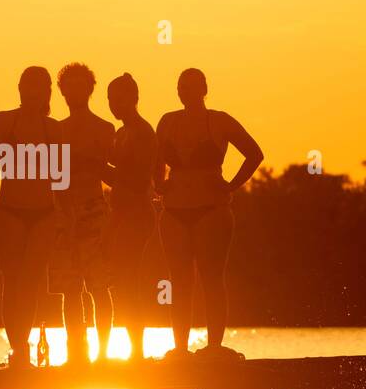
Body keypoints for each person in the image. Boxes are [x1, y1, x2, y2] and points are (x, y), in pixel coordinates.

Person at [154, 68, 263, 358]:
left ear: (204, 89)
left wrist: (232, 185)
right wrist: (158, 183)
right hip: (174, 211)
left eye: (191, 86)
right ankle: (179, 348)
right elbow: (155, 158)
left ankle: (214, 346)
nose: (185, 91)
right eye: (181, 86)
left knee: (211, 278)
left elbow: (254, 153)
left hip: (211, 211)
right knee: (179, 281)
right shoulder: (167, 122)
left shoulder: (219, 121)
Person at [0, 67, 61, 367]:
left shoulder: (53, 128)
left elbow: (61, 178)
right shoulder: (3, 120)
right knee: (12, 279)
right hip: (9, 210)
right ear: (19, 89)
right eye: (27, 87)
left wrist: (65, 218)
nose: (32, 93)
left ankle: (23, 347)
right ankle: (18, 348)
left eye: (39, 87)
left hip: (44, 212)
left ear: (46, 92)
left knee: (31, 281)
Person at [51, 62, 115, 363]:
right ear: (62, 92)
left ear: (90, 89)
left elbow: (117, 176)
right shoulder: (56, 129)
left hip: (95, 213)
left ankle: (103, 353)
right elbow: (52, 176)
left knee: (99, 286)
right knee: (70, 289)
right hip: (63, 214)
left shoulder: (105, 129)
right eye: (68, 87)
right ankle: (77, 352)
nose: (74, 93)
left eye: (80, 86)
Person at [103, 73, 157, 360]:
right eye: (109, 99)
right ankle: (131, 347)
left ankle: (136, 349)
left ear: (134, 98)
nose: (113, 105)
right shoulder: (120, 133)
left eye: (118, 98)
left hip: (135, 215)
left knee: (129, 280)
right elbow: (119, 177)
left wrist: (96, 167)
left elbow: (133, 182)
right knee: (122, 282)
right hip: (122, 213)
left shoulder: (143, 132)